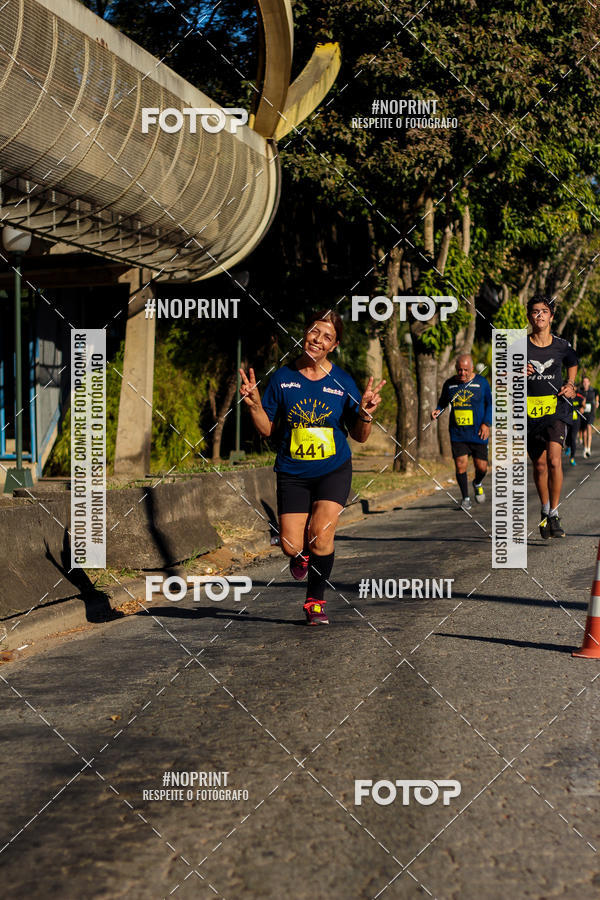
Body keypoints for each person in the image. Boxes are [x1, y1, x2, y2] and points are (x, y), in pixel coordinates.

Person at [239, 309, 385, 625]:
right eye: (314, 332)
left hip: (333, 469)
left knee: (321, 534)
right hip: (293, 472)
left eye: (327, 337)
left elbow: (360, 437)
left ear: (334, 345)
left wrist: (366, 413)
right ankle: (303, 554)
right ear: (305, 332)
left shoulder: (343, 381)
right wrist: (253, 406)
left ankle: (315, 600)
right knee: (291, 546)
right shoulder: (282, 378)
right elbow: (267, 429)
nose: (318, 340)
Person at [526, 295, 577, 539]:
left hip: (556, 410)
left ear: (551, 316)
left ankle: (554, 513)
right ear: (529, 316)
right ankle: (545, 510)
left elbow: (572, 362)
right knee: (539, 464)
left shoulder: (562, 345)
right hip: (529, 413)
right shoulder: (519, 347)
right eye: (535, 311)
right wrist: (517, 373)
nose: (540, 315)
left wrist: (570, 384)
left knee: (555, 460)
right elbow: (503, 379)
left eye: (544, 311)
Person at [431, 354, 492, 511]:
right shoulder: (450, 384)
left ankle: (477, 483)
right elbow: (443, 402)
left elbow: (490, 405)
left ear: (472, 368)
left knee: (482, 468)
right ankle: (465, 498)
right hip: (458, 433)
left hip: (479, 433)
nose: (462, 373)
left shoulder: (482, 383)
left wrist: (487, 424)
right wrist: (437, 410)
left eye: (466, 370)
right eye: (459, 370)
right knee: (460, 465)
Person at [565, 385, 585, 465]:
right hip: (567, 420)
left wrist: (582, 408)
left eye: (573, 389)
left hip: (576, 421)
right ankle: (568, 446)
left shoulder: (579, 397)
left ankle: (572, 458)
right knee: (567, 436)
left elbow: (584, 405)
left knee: (573, 438)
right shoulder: (566, 397)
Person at [580, 375, 599, 458]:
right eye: (584, 382)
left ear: (589, 383)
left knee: (589, 428)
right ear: (582, 383)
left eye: (586, 382)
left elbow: (597, 398)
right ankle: (585, 448)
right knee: (584, 431)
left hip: (591, 413)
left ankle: (589, 448)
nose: (585, 383)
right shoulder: (580, 391)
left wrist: (597, 402)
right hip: (583, 413)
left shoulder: (593, 390)